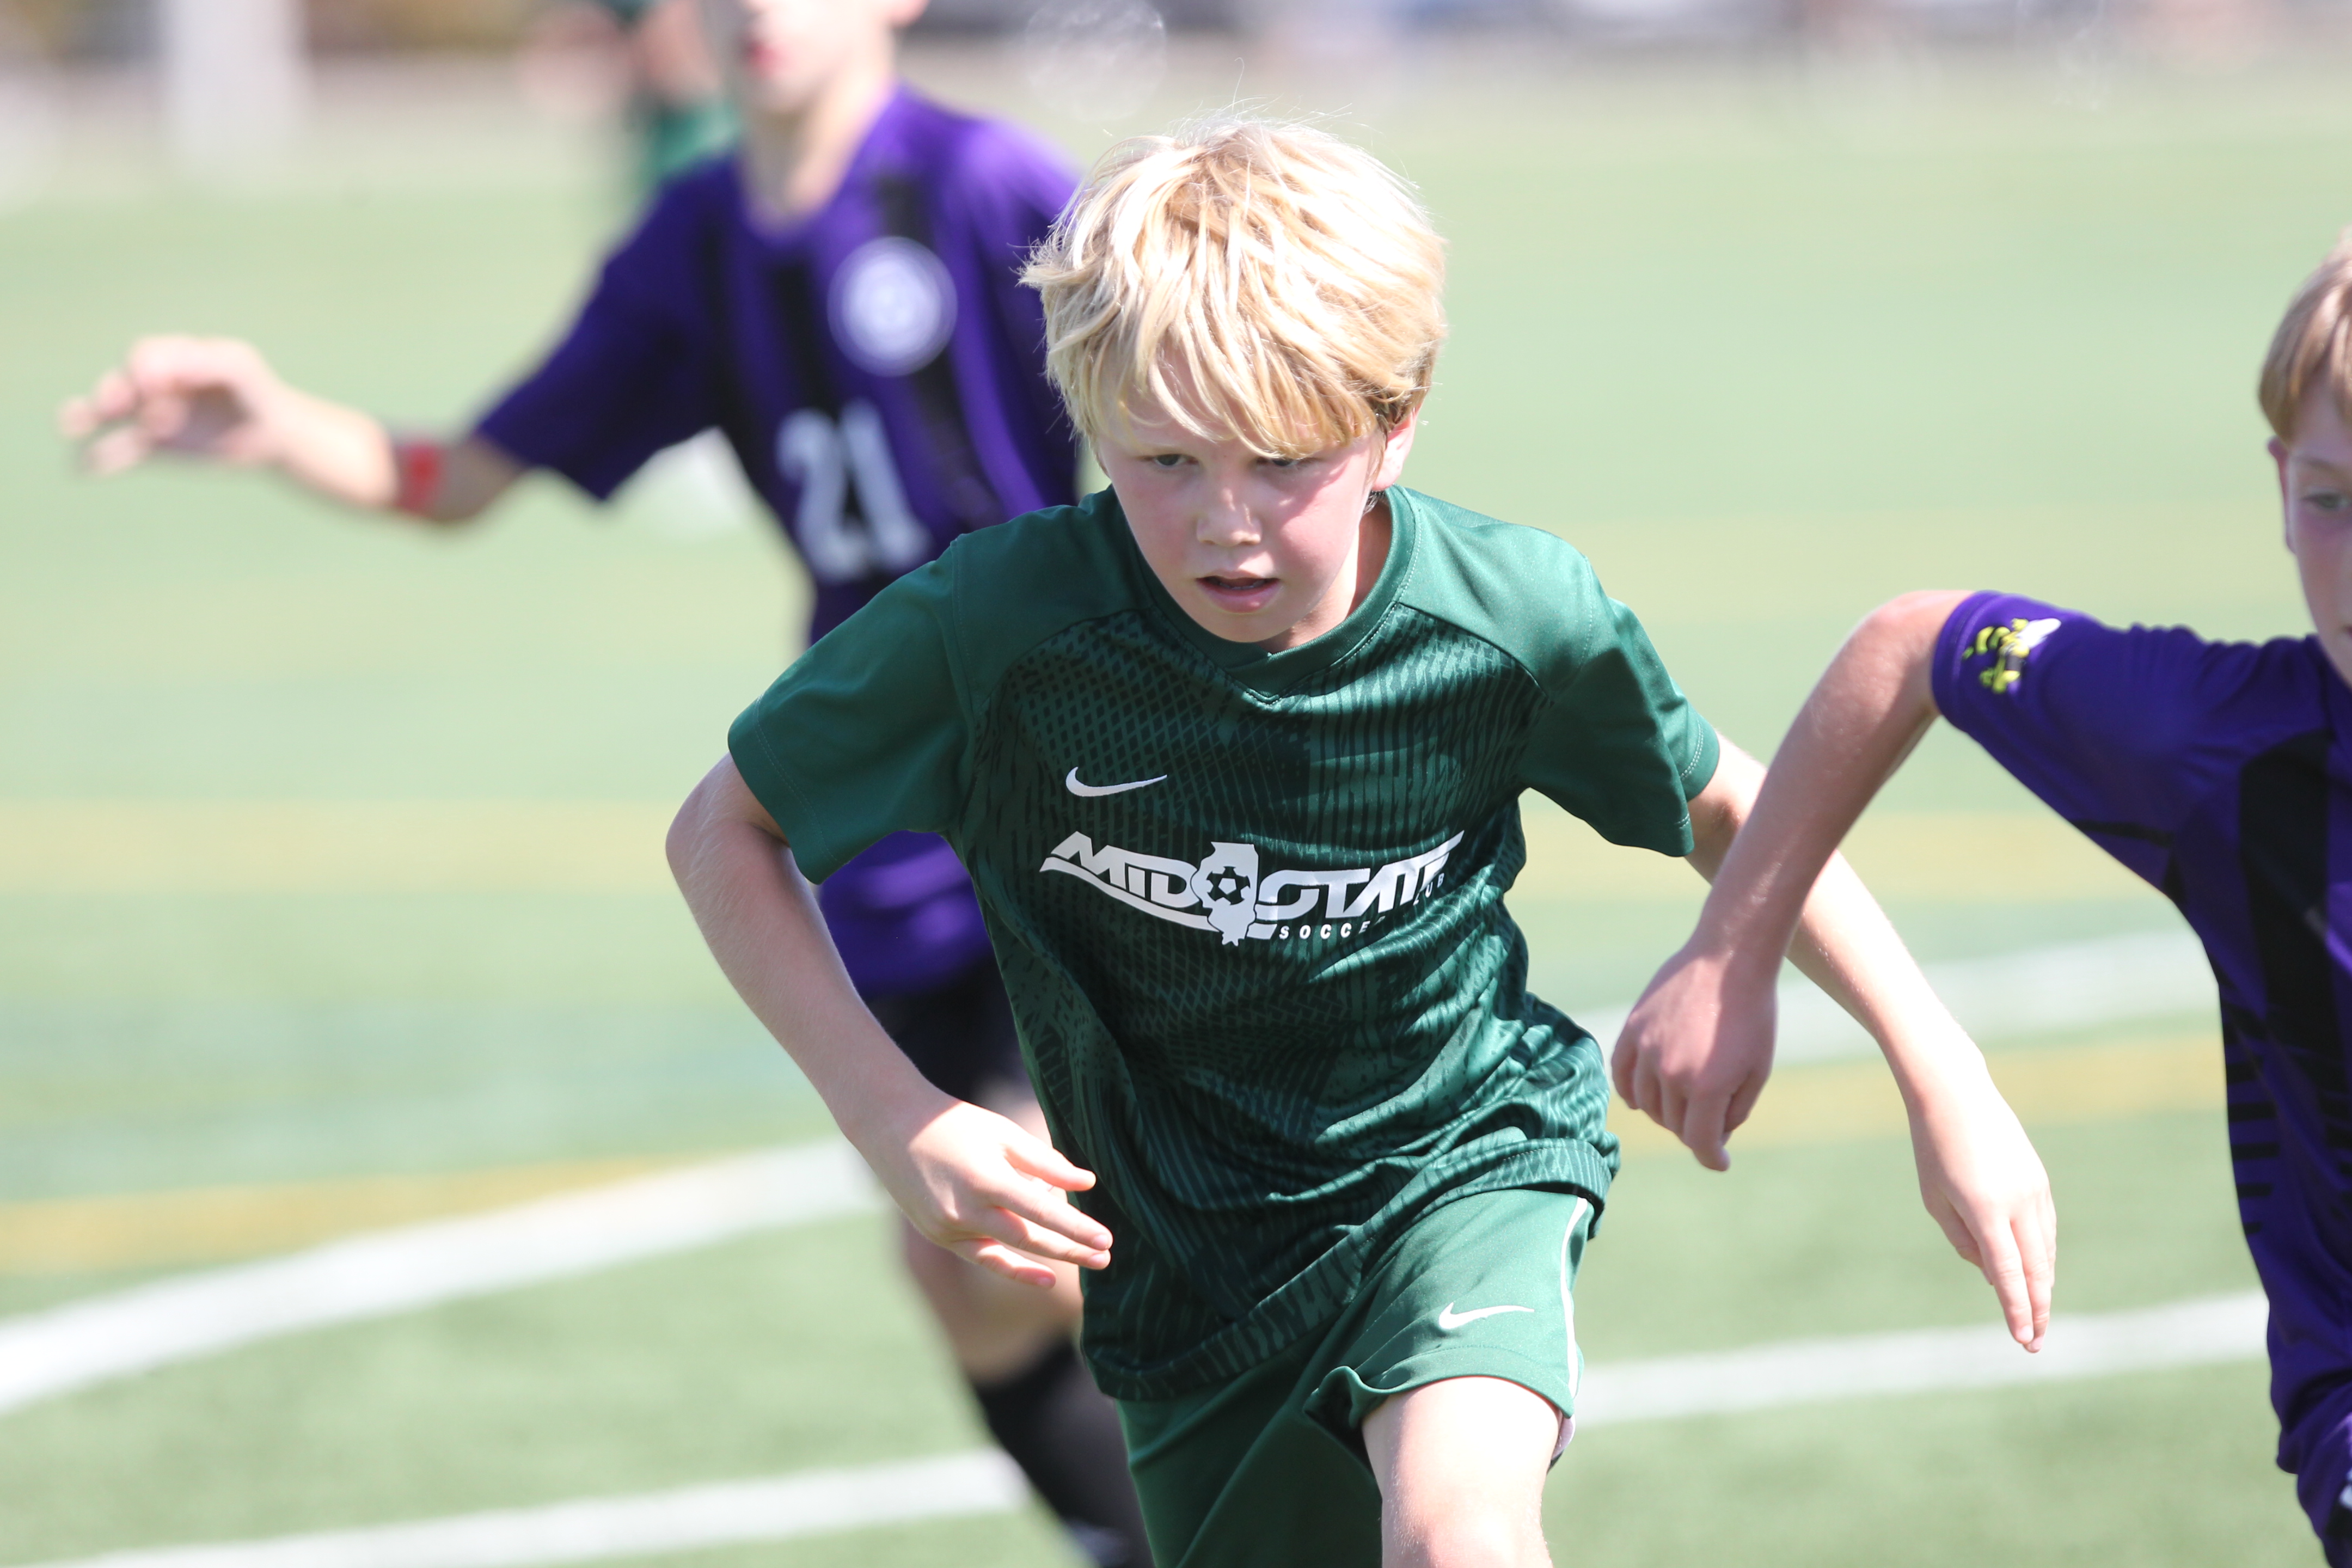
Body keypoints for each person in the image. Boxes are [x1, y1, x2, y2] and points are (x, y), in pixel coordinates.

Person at [666, 117, 2057, 1567]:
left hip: (1459, 1169)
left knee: (1459, 1534)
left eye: (1285, 462)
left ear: (1397, 420)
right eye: (1164, 458)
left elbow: (1727, 804)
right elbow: (724, 830)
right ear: (1090, 415)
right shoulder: (999, 630)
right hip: (1190, 1277)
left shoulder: (1509, 618)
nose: (1227, 523)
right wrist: (894, 1117)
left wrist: (1938, 1074)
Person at [56, 2, 1155, 1562]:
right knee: (967, 1271)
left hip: (1074, 802)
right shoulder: (694, 243)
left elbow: (1204, 368)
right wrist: (280, 425)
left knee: (1068, 1231)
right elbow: (460, 481)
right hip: (885, 824)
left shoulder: (985, 186)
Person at [1614, 231, 2352, 1563]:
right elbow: (1920, 647)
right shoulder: (2224, 752)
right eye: (2332, 501)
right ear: (2278, 483)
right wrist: (1735, 951)